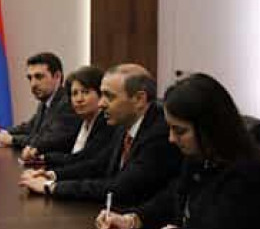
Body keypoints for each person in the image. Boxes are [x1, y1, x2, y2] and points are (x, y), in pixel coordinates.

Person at [95, 73, 260, 229]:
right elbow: (172, 196)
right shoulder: (199, 157)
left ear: (210, 128)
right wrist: (132, 219)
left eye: (180, 131)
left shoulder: (246, 172)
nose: (172, 139)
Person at [19, 64, 181, 206]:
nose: (101, 103)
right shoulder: (124, 122)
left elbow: (120, 188)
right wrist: (53, 175)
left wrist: (51, 187)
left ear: (139, 99)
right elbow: (98, 164)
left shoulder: (159, 133)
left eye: (109, 96)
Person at [0, 52, 80, 156]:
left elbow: (47, 140)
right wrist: (1, 133)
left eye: (39, 77)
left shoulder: (68, 104)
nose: (33, 84)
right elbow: (30, 128)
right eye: (30, 78)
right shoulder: (46, 101)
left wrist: (12, 139)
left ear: (57, 76)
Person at [25, 66, 117, 168]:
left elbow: (84, 161)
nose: (79, 99)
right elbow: (67, 151)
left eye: (85, 92)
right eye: (74, 94)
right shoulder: (81, 121)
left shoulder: (105, 124)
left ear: (100, 94)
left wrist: (51, 172)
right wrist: (40, 155)